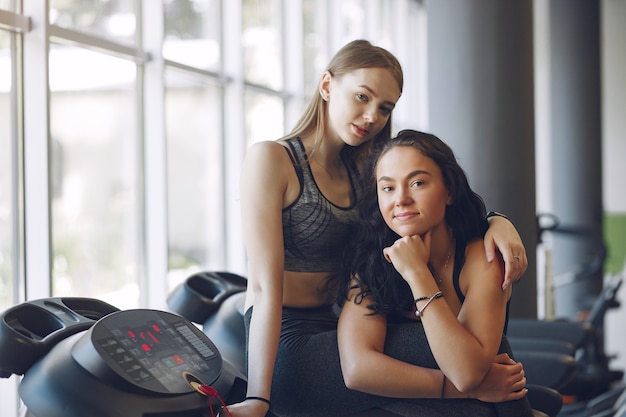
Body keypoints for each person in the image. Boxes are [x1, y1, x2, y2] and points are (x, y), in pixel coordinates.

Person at [229, 40, 529, 417]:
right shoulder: (272, 159)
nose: (372, 116)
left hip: (344, 323)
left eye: (384, 108)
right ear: (326, 86)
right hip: (289, 339)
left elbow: (427, 207)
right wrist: (259, 396)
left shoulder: (367, 170)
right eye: (361, 97)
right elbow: (262, 287)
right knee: (478, 359)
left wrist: (497, 221)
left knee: (464, 358)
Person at [336, 129, 534, 416]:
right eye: (388, 188)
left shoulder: (483, 257)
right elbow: (357, 370)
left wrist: (417, 273)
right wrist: (456, 390)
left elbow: (466, 372)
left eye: (417, 183)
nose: (401, 199)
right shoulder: (372, 262)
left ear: (449, 191)